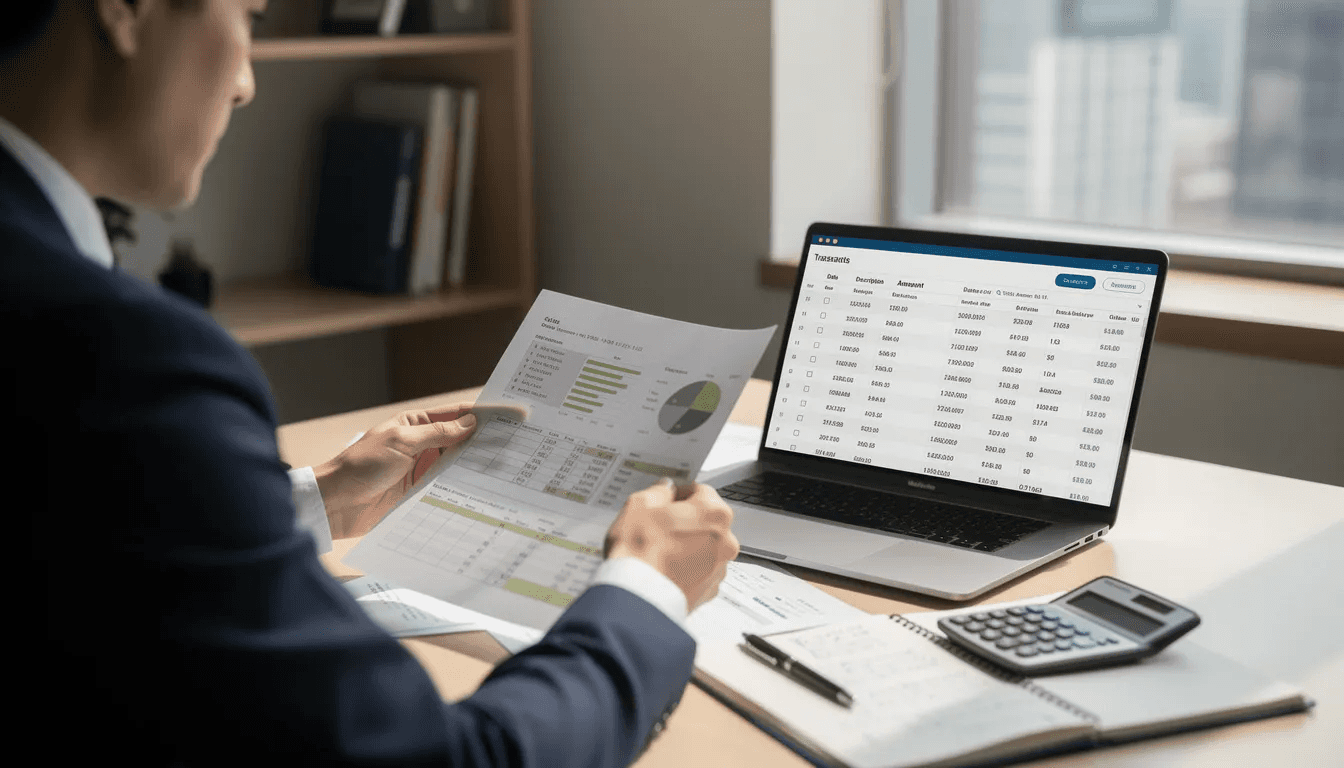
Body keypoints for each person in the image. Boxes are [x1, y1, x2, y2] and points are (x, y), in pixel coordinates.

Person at [2, 1, 739, 765]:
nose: (247, 83)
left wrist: (311, 497)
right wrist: (644, 593)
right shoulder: (127, 359)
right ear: (130, 8)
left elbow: (79, 532)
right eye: (249, 15)